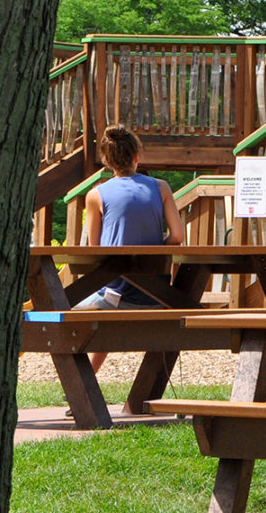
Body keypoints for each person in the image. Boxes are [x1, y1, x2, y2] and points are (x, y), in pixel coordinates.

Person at [76, 125, 188, 371]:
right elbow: (178, 236)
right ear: (136, 158)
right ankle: (85, 385)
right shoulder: (161, 187)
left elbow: (95, 251)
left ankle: (81, 385)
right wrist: (156, 247)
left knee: (61, 310)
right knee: (106, 318)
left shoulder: (96, 195)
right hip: (157, 296)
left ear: (106, 161)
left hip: (115, 295)